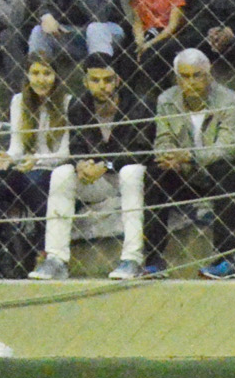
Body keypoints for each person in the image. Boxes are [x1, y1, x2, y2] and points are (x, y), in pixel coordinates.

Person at [152, 50, 235, 279]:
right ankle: (152, 259)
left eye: (197, 75)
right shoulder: (166, 101)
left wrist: (189, 156)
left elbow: (229, 147)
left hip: (232, 173)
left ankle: (229, 259)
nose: (190, 82)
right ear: (176, 77)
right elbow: (162, 139)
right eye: (184, 76)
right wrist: (168, 157)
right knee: (154, 175)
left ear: (209, 75)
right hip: (189, 173)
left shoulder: (229, 100)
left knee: (224, 168)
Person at [47, 56, 155, 282]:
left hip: (127, 177)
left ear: (118, 80)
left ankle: (132, 259)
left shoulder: (139, 104)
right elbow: (76, 145)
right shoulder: (78, 106)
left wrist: (106, 165)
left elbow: (142, 151)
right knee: (61, 174)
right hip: (97, 179)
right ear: (85, 82)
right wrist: (81, 164)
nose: (102, 86)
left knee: (131, 172)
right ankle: (56, 259)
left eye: (107, 80)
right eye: (95, 80)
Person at [0, 58, 68, 279]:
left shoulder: (66, 102)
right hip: (26, 164)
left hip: (51, 167)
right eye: (35, 73)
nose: (41, 79)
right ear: (27, 76)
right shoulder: (19, 101)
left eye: (46, 73)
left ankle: (41, 251)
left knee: (35, 181)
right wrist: (7, 157)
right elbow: (17, 147)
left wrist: (36, 160)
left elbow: (66, 152)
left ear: (55, 76)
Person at [123, 0, 190, 106]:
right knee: (125, 56)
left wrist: (149, 44)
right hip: (145, 33)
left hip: (167, 36)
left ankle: (163, 100)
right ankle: (126, 103)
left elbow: (172, 26)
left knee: (153, 55)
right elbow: (136, 20)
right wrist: (139, 41)